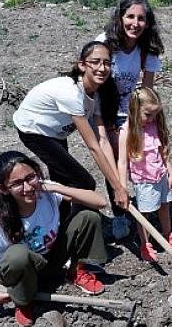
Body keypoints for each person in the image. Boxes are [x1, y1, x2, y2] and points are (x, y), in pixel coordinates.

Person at [0, 151, 109, 327]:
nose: (27, 187)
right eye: (17, 184)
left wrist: (54, 187)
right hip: (22, 271)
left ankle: (75, 271)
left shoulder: (46, 195)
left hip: (49, 259)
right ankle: (23, 301)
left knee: (87, 217)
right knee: (17, 254)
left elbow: (100, 202)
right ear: (3, 189)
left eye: (30, 177)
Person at [97, 0, 172, 240]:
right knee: (115, 162)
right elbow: (97, 86)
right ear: (120, 17)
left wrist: (146, 121)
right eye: (130, 17)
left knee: (158, 158)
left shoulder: (148, 48)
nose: (135, 23)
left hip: (136, 110)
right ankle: (120, 215)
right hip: (107, 111)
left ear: (148, 22)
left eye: (141, 18)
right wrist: (111, 128)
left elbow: (147, 90)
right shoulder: (105, 44)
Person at [13, 41, 128, 222]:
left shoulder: (96, 94)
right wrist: (118, 188)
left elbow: (103, 140)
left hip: (56, 131)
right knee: (83, 182)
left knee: (63, 180)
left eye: (107, 63)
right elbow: (93, 147)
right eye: (95, 62)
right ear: (82, 65)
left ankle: (58, 222)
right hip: (34, 129)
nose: (102, 68)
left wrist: (118, 185)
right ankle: (74, 226)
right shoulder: (72, 93)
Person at [117, 87, 172, 262]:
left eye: (155, 115)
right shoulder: (127, 131)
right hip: (144, 180)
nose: (152, 119)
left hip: (160, 175)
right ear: (134, 110)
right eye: (147, 114)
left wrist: (171, 173)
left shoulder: (154, 126)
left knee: (164, 206)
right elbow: (123, 161)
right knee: (145, 213)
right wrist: (122, 186)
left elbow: (163, 152)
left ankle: (167, 234)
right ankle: (145, 243)